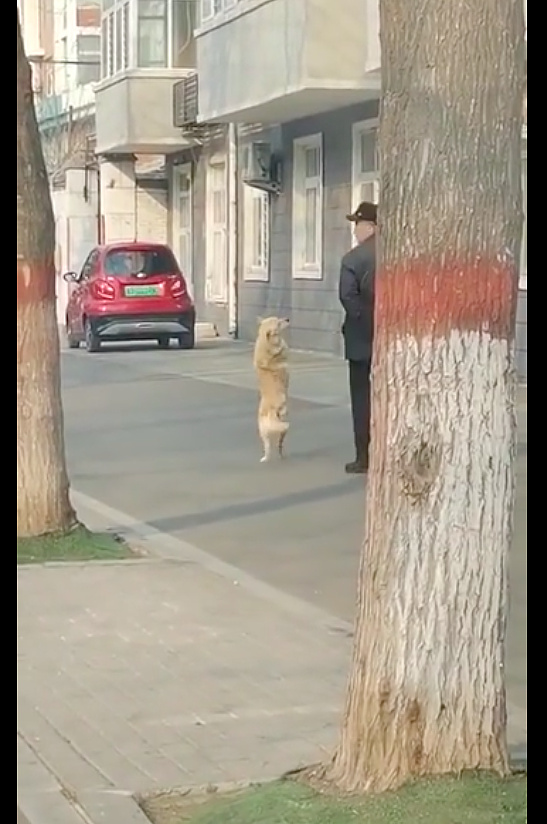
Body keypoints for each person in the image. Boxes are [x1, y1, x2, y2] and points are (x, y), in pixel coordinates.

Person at [338, 201, 377, 474]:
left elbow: (347, 296)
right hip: (393, 334)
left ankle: (364, 456)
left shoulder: (352, 259)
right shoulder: (396, 254)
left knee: (362, 397)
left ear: (371, 226)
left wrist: (363, 321)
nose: (355, 231)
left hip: (361, 339)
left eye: (358, 225)